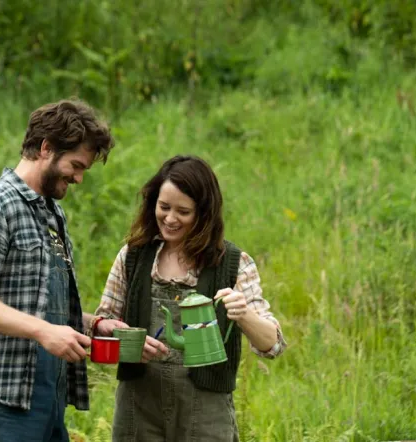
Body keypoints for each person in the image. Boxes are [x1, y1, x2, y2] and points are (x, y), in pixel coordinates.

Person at [0, 99, 128, 442]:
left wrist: (96, 324)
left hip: (48, 400)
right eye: (76, 165)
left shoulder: (53, 215)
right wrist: (44, 331)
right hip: (2, 403)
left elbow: (35, 305)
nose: (80, 178)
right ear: (46, 148)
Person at [94, 155, 288, 441]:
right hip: (139, 406)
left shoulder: (233, 263)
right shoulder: (133, 257)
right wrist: (115, 334)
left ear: (204, 214)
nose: (170, 219)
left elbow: (272, 345)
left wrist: (243, 313)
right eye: (164, 207)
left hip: (205, 411)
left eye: (183, 212)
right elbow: (103, 323)